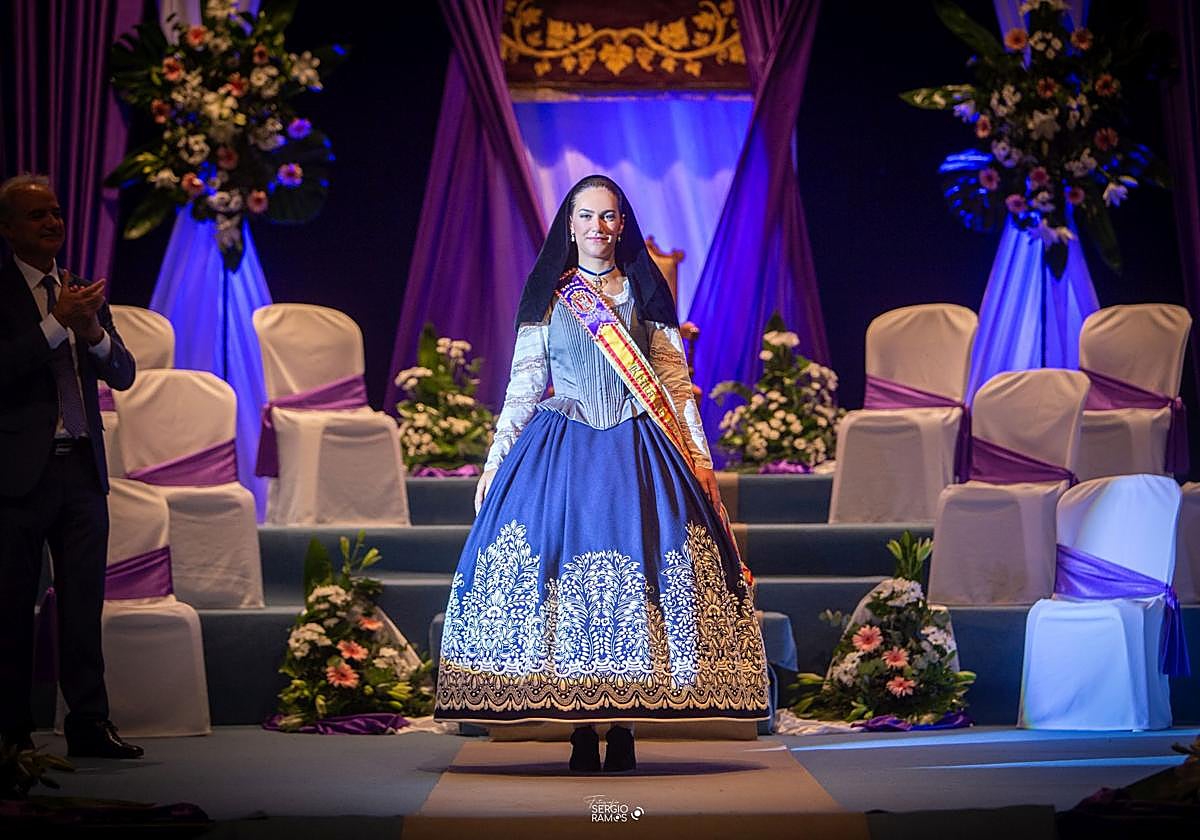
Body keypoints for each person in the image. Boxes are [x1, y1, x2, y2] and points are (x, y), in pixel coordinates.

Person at [433, 175, 769, 772]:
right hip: (563, 452)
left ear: (622, 224)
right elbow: (524, 386)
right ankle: (580, 727)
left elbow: (672, 381)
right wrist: (496, 460)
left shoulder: (645, 289)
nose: (598, 228)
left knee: (640, 588)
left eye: (609, 217)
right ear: (570, 223)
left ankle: (624, 725)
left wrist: (699, 455)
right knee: (567, 591)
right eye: (586, 217)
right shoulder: (548, 292)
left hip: (640, 450)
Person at [0, 173, 142, 759]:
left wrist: (92, 331)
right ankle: (12, 732)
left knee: (84, 605)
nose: (53, 223)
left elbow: (124, 373)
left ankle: (89, 724)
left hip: (82, 469)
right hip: (17, 475)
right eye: (38, 216)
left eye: (56, 212)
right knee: (10, 607)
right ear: (8, 229)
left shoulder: (78, 288)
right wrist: (56, 324)